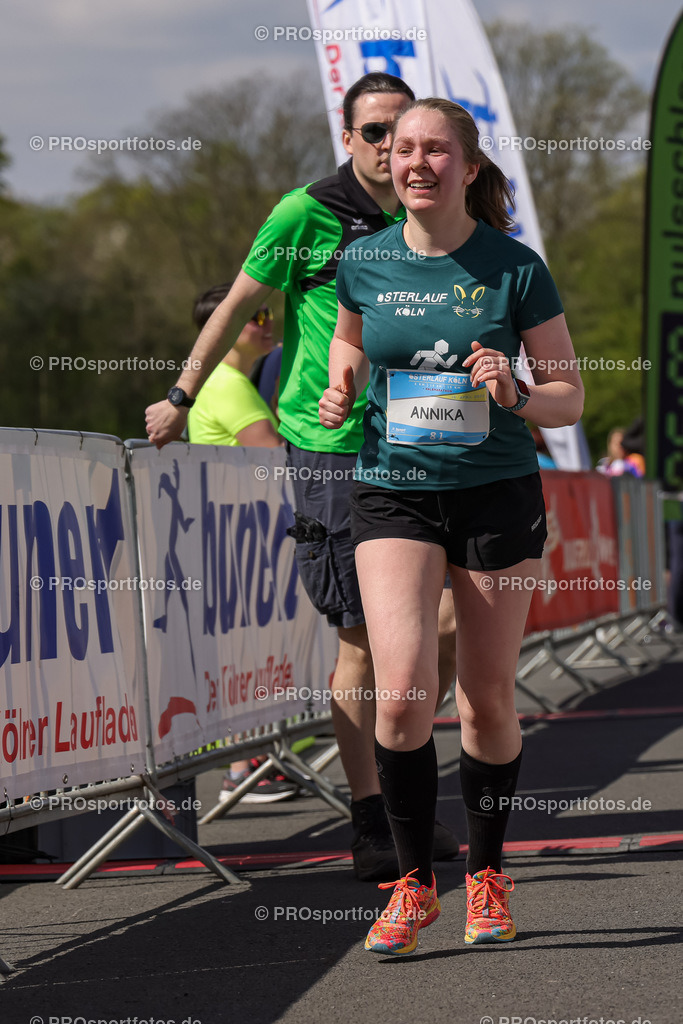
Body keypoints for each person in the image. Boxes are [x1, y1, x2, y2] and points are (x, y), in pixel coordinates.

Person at [145, 73, 459, 881]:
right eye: (373, 131)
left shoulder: (429, 208)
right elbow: (234, 304)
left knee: (447, 623)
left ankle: (402, 783)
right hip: (333, 448)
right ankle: (374, 817)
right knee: (363, 638)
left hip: (423, 439)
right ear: (347, 139)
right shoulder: (307, 212)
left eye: (401, 129)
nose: (390, 146)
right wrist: (182, 395)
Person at [319, 97, 584, 954]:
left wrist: (514, 391)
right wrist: (339, 385)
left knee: (485, 698)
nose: (415, 162)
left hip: (494, 490)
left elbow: (568, 397)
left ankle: (488, 877)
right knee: (399, 695)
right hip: (392, 490)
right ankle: (410, 886)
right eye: (402, 149)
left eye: (435, 150)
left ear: (468, 168)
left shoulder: (514, 267)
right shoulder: (362, 260)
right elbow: (350, 346)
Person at [186, 284, 297, 803]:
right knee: (244, 655)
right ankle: (240, 770)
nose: (268, 323)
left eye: (268, 313)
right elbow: (276, 456)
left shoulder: (233, 381)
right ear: (227, 327)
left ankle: (252, 763)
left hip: (245, 541)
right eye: (256, 315)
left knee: (253, 655)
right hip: (239, 545)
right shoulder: (226, 385)